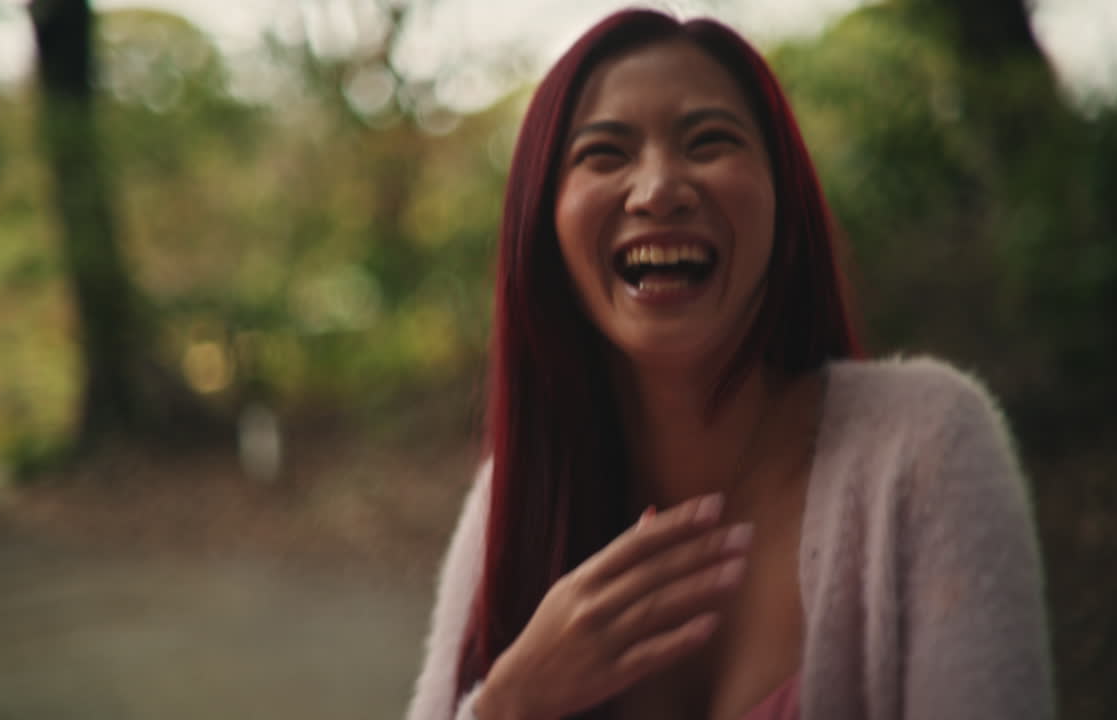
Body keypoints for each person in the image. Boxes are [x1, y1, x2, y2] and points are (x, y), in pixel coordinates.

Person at [405, 8, 1052, 720]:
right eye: (605, 154)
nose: (658, 189)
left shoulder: (926, 443)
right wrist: (509, 705)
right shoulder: (513, 494)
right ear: (543, 222)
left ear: (783, 202)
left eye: (709, 142)